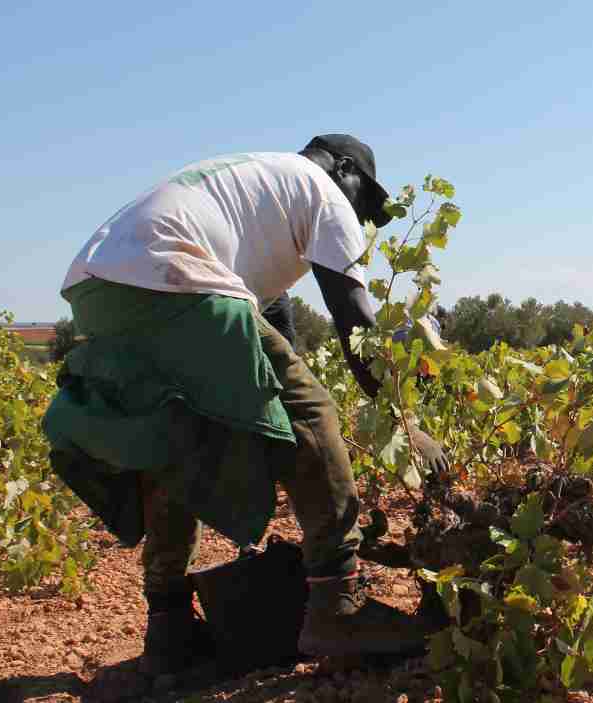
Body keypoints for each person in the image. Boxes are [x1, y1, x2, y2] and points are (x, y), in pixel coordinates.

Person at [42, 135, 450, 675]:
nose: (362, 219)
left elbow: (273, 328)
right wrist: (406, 422)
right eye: (364, 202)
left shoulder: (262, 187)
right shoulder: (321, 191)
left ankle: (169, 630)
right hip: (168, 272)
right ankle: (336, 603)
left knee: (178, 440)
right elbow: (354, 321)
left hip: (97, 288)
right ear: (345, 169)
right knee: (314, 412)